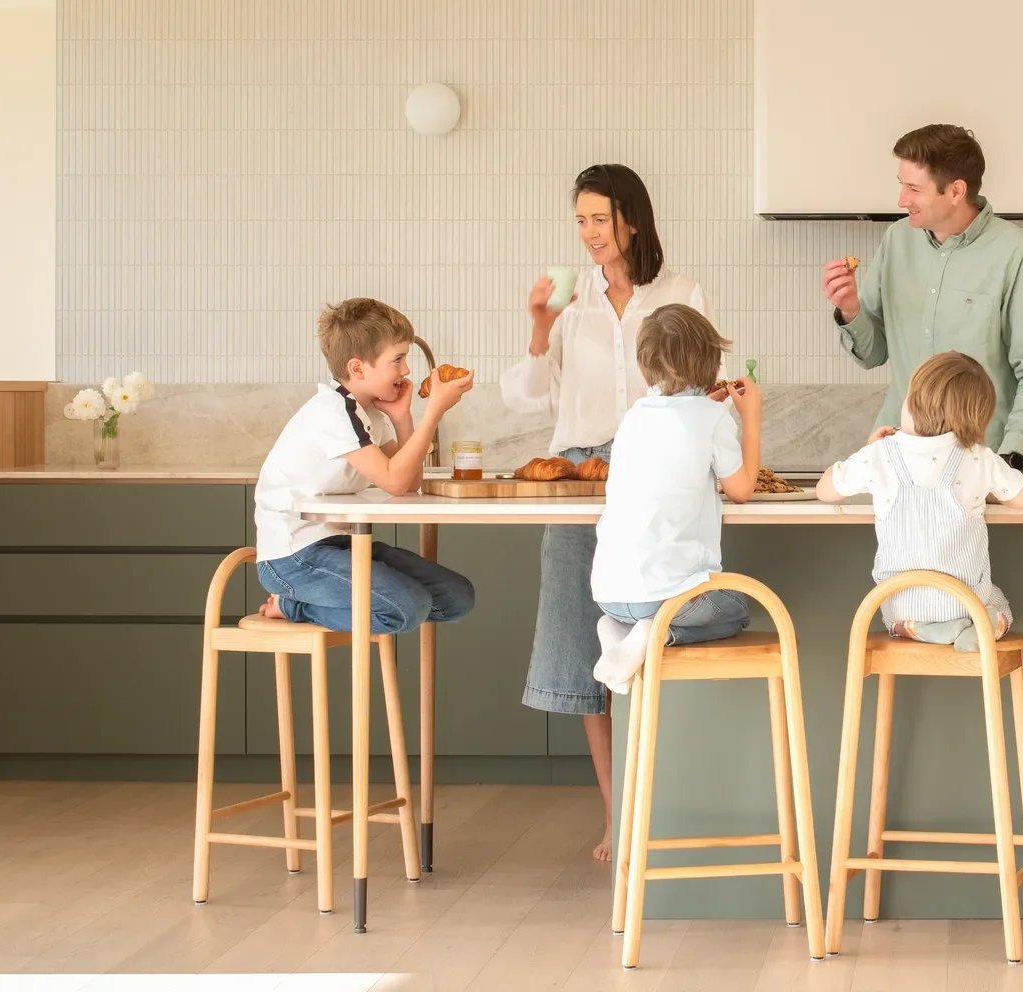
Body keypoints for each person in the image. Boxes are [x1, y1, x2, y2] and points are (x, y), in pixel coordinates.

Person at [500, 163, 710, 861]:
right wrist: (538, 327)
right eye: (582, 221)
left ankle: (665, 802)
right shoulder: (569, 305)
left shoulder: (679, 294)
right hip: (577, 473)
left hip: (652, 471)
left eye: (600, 219)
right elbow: (528, 399)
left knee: (651, 636)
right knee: (589, 648)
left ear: (634, 220)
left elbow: (700, 386)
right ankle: (619, 813)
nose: (590, 234)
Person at [822, 123, 1023, 473]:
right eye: (901, 185)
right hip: (898, 463)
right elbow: (873, 354)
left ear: (955, 191)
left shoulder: (1018, 255)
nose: (902, 200)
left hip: (978, 467)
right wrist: (849, 309)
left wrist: (1012, 458)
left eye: (914, 189)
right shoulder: (896, 241)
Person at [253, 298, 477, 634]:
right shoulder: (333, 411)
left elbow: (410, 481)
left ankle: (376, 608)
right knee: (407, 607)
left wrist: (403, 418)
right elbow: (394, 482)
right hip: (294, 558)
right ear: (358, 369)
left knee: (455, 598)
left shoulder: (368, 413)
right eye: (397, 360)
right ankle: (292, 605)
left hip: (339, 545)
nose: (406, 371)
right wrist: (434, 412)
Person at [590, 304, 762, 692]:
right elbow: (742, 488)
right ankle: (655, 635)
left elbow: (678, 432)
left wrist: (705, 405)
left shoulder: (634, 416)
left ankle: (620, 630)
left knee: (648, 609)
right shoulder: (713, 418)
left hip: (610, 593)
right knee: (736, 611)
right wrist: (750, 417)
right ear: (710, 360)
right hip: (669, 598)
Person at [816, 351, 1023, 652]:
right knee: (1001, 607)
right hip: (966, 603)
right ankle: (980, 631)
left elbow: (825, 491)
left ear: (911, 405)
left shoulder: (878, 455)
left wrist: (867, 450)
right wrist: (986, 487)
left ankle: (921, 629)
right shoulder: (978, 457)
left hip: (899, 604)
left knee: (893, 621)